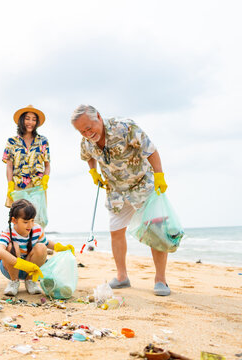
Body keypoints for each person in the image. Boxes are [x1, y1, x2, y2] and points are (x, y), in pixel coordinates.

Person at [71, 105, 171, 296]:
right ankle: (122, 276)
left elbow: (151, 150)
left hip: (142, 184)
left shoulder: (124, 127)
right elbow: (87, 156)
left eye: (89, 128)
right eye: (82, 131)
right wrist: (93, 171)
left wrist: (159, 176)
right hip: (115, 190)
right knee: (116, 232)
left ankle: (161, 280)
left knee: (156, 229)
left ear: (98, 117)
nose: (87, 134)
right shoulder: (86, 140)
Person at [0, 199, 75, 296]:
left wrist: (61, 247)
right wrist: (21, 264)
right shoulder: (8, 232)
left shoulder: (36, 229)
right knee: (11, 246)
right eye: (25, 222)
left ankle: (30, 281)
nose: (30, 225)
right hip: (10, 269)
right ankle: (14, 282)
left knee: (41, 246)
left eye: (32, 220)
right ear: (14, 220)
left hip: (32, 269)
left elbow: (46, 243)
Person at [3, 105, 50, 208]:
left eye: (34, 119)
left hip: (37, 186)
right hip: (19, 185)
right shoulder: (12, 141)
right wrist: (10, 185)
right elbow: (9, 166)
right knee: (19, 218)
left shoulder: (43, 141)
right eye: (27, 119)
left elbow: (47, 164)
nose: (30, 122)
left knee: (37, 219)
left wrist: (45, 180)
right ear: (21, 120)